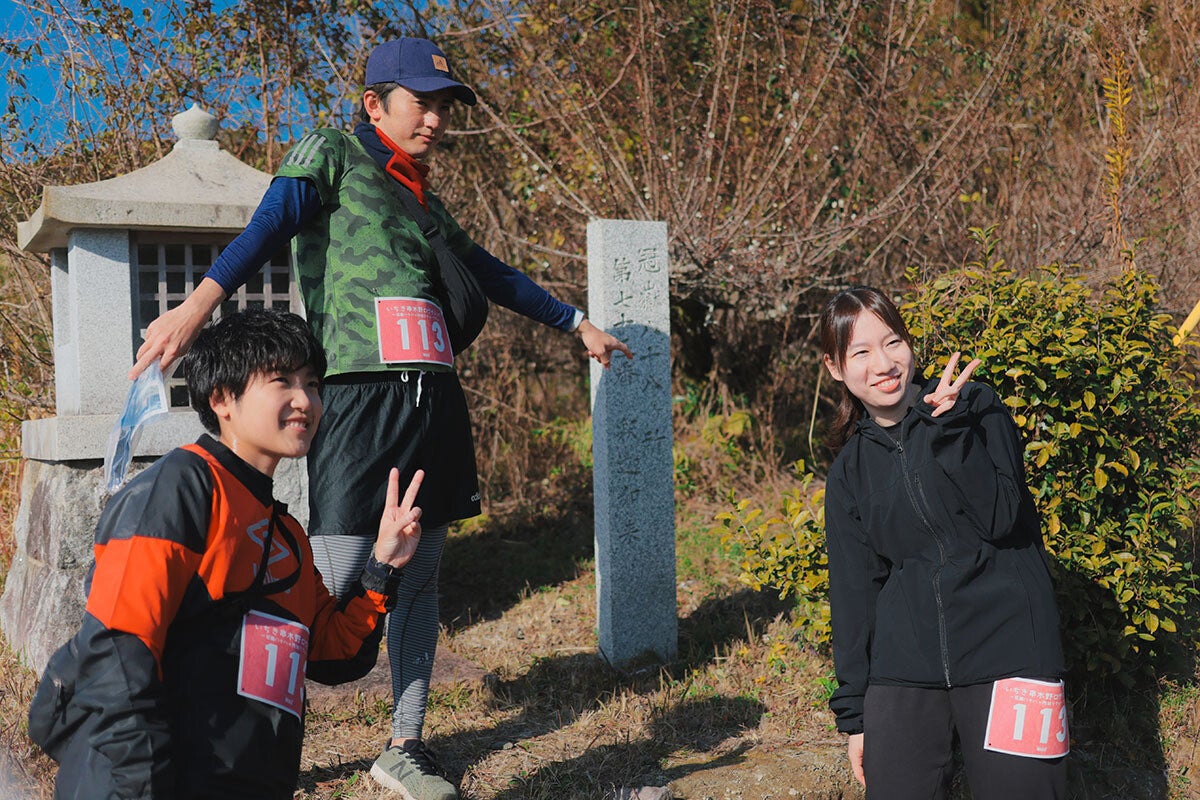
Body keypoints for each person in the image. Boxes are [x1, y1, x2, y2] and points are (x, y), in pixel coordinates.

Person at [128, 36, 632, 800]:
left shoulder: (423, 193)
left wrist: (575, 323)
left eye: (442, 106)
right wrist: (199, 305)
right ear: (375, 103)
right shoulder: (330, 153)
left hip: (434, 397)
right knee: (320, 585)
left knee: (421, 578)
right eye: (420, 102)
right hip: (360, 397)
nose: (433, 118)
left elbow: (490, 272)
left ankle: (406, 744)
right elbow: (268, 225)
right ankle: (246, 746)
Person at [28, 308, 425, 799]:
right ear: (222, 399)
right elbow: (118, 651)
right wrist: (140, 783)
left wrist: (382, 565)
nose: (305, 400)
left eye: (313, 383)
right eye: (282, 380)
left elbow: (332, 650)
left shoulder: (285, 533)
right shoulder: (180, 489)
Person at [818, 287, 1068, 799]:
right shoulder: (849, 471)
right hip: (905, 664)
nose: (884, 363)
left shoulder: (975, 406)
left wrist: (947, 428)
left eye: (893, 342)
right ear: (836, 367)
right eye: (861, 352)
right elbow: (854, 594)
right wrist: (856, 715)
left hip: (1011, 645)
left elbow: (1002, 517)